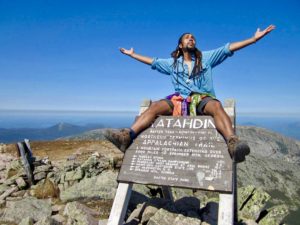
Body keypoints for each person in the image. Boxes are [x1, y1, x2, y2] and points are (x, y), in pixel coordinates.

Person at [105, 25, 275, 163]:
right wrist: (132, 54)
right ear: (180, 45)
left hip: (201, 97)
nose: (191, 38)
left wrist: (253, 39)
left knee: (215, 105)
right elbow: (153, 62)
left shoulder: (206, 58)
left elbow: (227, 49)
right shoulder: (172, 64)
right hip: (179, 99)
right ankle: (127, 136)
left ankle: (232, 142)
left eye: (193, 37)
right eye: (187, 37)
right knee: (156, 106)